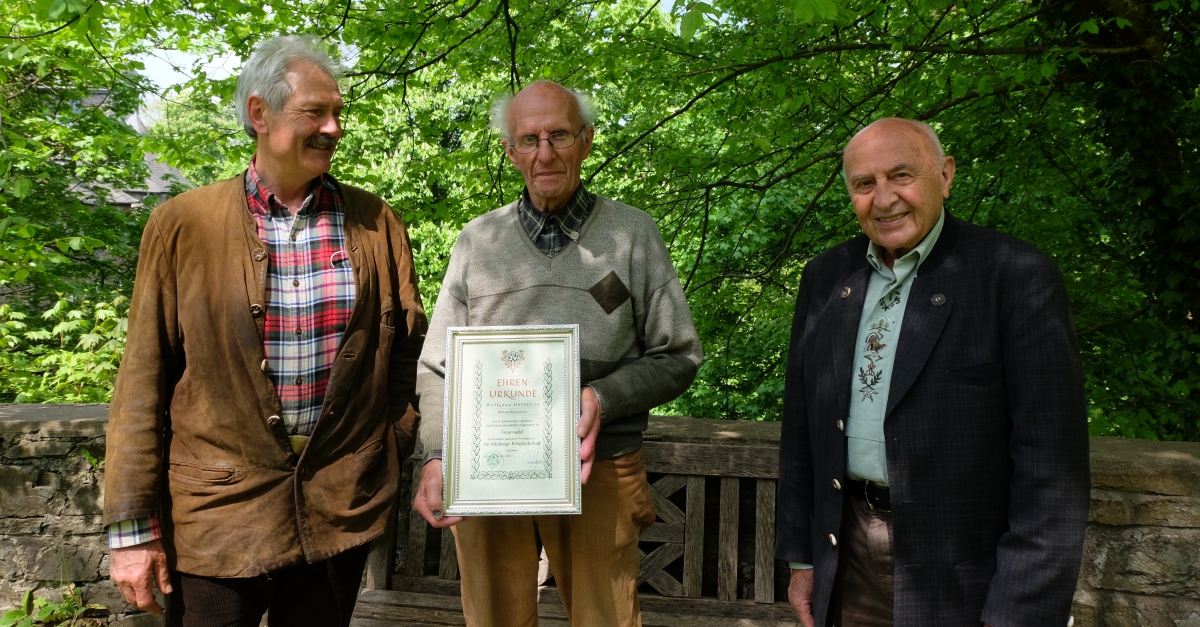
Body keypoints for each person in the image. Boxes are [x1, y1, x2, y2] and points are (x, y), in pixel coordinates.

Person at [102, 35, 426, 626]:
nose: (333, 127)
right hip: (218, 517)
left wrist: (388, 446)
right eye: (315, 112)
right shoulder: (182, 226)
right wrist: (131, 532)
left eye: (338, 113)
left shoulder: (376, 223)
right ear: (260, 113)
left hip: (339, 509)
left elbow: (407, 348)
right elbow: (143, 380)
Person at [775, 117, 1089, 627]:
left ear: (944, 175)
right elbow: (801, 429)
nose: (884, 199)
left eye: (901, 176)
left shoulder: (1015, 275)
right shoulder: (827, 277)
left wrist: (1021, 609)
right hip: (848, 552)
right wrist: (803, 559)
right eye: (864, 184)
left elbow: (1051, 467)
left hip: (965, 574)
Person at [412, 80, 703, 627]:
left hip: (600, 470)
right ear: (509, 150)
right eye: (528, 139)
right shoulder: (477, 242)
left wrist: (603, 396)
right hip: (486, 472)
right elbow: (436, 368)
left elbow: (679, 353)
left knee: (606, 620)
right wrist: (436, 456)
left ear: (586, 142)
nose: (544, 152)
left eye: (560, 135)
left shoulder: (632, 234)